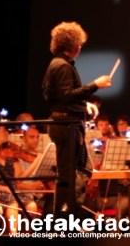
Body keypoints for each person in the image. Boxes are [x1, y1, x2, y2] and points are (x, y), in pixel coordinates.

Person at [42, 21, 112, 217]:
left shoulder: (58, 64)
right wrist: (95, 85)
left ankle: (70, 211)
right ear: (72, 44)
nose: (81, 46)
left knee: (81, 169)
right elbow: (65, 96)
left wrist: (83, 105)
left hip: (66, 124)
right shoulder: (62, 66)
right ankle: (66, 215)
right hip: (66, 126)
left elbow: (57, 97)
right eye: (79, 43)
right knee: (68, 176)